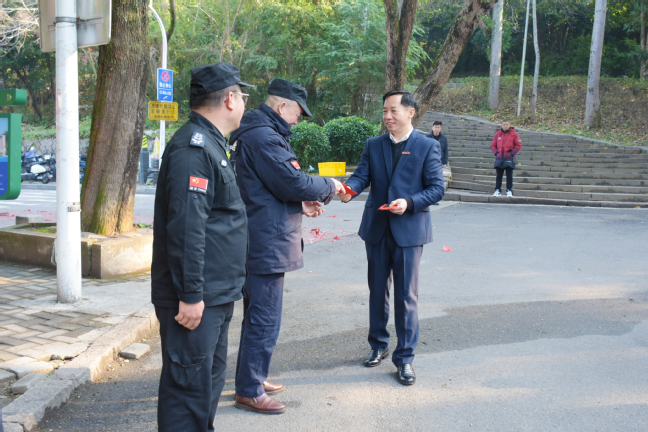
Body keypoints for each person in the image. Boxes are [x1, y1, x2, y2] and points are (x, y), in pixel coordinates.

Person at [229, 78, 345, 414]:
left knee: (258, 315)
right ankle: (249, 389)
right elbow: (291, 180)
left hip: (262, 235)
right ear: (282, 106)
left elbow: (268, 189)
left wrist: (299, 204)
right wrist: (329, 185)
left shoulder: (257, 133)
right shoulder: (264, 136)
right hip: (266, 241)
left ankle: (253, 376)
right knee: (264, 317)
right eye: (298, 112)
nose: (299, 119)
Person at [151, 62, 252, 432]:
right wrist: (191, 294)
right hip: (196, 300)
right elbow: (186, 229)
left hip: (216, 295)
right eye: (242, 95)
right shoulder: (193, 149)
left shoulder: (212, 143)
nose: (243, 103)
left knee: (205, 386)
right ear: (229, 99)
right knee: (187, 393)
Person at [339, 90, 445, 386]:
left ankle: (405, 358)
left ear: (411, 112)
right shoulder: (374, 145)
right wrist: (348, 191)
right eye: (384, 111)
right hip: (376, 229)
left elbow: (436, 188)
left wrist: (409, 203)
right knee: (377, 291)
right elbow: (362, 177)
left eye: (393, 110)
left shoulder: (427, 145)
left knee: (406, 296)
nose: (387, 116)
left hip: (409, 232)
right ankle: (378, 344)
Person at [490, 119, 522, 197]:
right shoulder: (498, 134)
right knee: (499, 176)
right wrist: (496, 152)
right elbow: (493, 145)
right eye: (504, 124)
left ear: (509, 125)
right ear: (502, 125)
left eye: (506, 124)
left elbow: (518, 145)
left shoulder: (514, 134)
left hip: (509, 158)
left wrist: (512, 153)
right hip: (499, 158)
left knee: (509, 176)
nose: (505, 126)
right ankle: (497, 190)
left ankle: (509, 191)